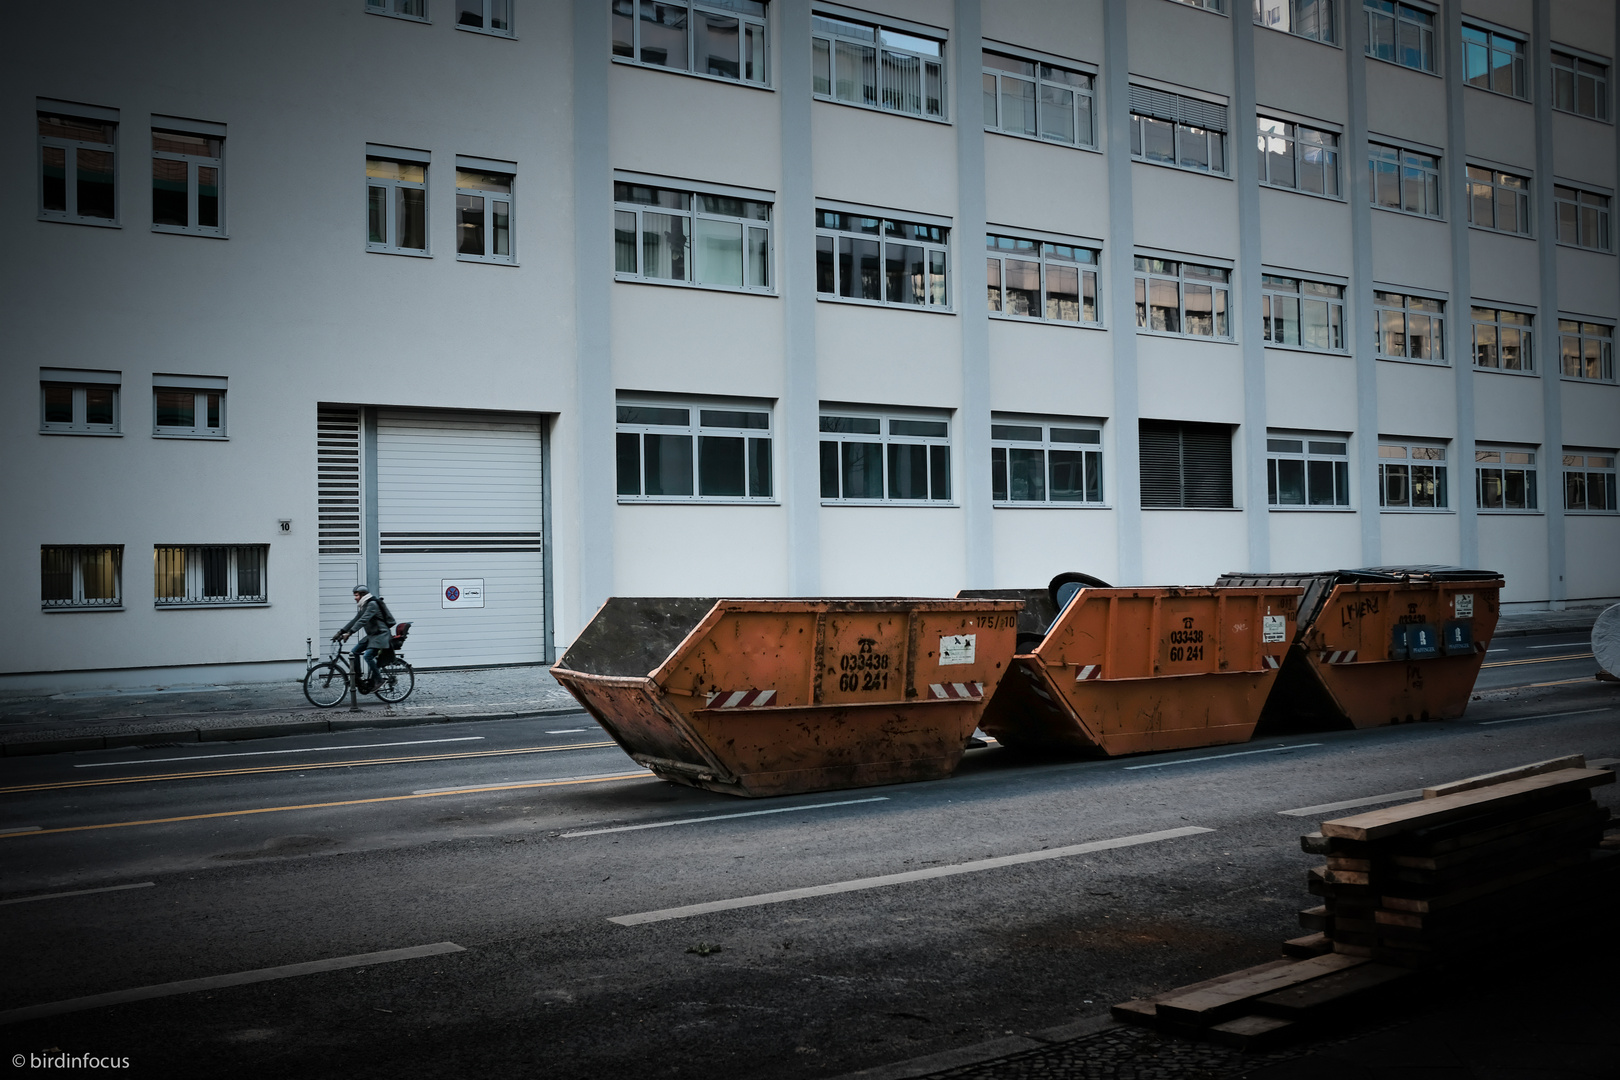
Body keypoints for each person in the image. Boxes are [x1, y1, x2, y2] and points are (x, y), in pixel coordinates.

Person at [336, 585, 391, 688]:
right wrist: (340, 632)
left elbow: (363, 620)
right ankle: (358, 677)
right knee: (354, 652)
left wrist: (350, 633)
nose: (355, 598)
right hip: (372, 636)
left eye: (356, 595)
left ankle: (379, 680)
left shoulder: (372, 604)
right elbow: (355, 620)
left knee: (367, 656)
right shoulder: (364, 606)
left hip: (381, 635)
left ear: (363, 595)